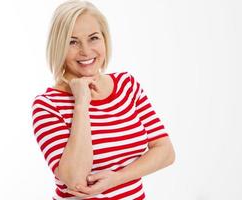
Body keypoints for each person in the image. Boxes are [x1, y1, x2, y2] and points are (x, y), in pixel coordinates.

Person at [31, 0, 175, 199]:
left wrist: (117, 178)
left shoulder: (127, 85)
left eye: (93, 38)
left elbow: (165, 151)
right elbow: (75, 179)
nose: (86, 50)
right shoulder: (48, 105)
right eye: (72, 41)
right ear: (59, 46)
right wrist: (81, 104)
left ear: (105, 39)